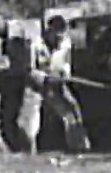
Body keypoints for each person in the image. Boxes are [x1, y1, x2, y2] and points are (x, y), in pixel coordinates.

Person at [36, 15, 90, 153]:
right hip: (45, 85)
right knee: (65, 113)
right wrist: (48, 75)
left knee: (74, 107)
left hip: (61, 82)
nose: (60, 36)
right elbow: (37, 69)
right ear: (51, 31)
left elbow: (66, 61)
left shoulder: (66, 43)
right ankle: (72, 146)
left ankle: (81, 143)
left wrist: (65, 72)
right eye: (57, 33)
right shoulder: (39, 46)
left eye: (62, 33)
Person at [0, 20, 44, 155]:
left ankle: (27, 149)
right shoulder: (11, 39)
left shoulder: (19, 33)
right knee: (10, 119)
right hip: (15, 77)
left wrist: (29, 68)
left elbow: (29, 50)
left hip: (25, 78)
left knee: (27, 121)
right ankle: (18, 148)